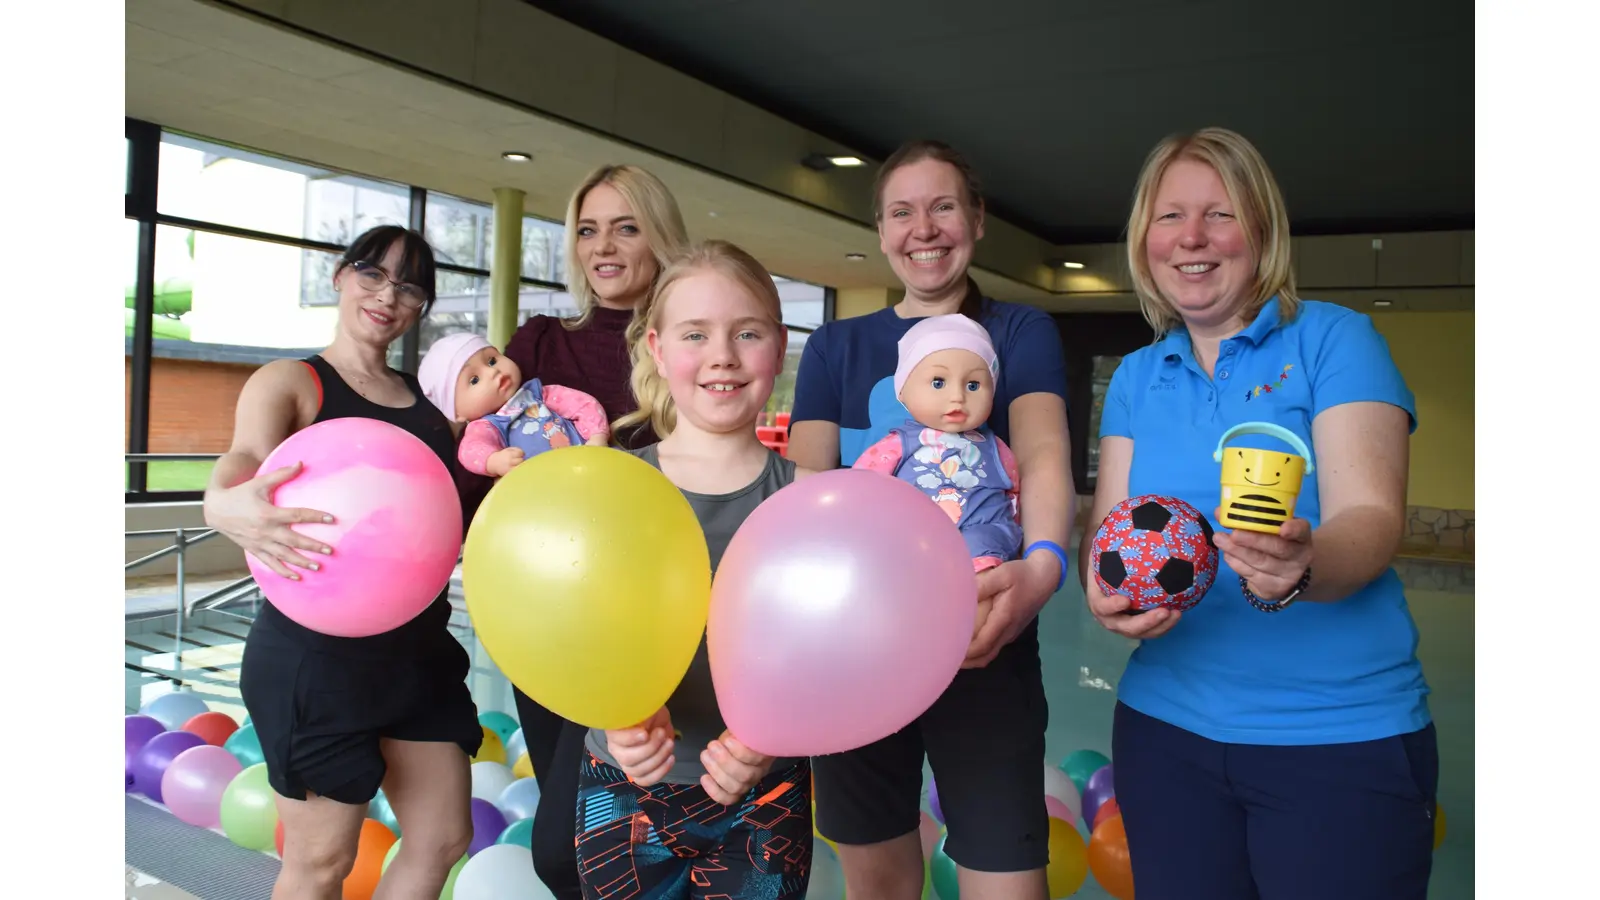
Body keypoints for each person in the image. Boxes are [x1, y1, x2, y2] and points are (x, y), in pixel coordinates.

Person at [1080, 126, 1435, 900]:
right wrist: (1105, 593)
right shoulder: (1138, 377)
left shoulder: (1336, 341)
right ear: (1144, 239)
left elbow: (1371, 517)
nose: (1192, 239)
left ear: (1263, 230)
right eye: (1169, 217)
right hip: (1164, 732)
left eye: (1220, 214)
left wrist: (1304, 566)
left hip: (1336, 735)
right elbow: (1109, 536)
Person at [788, 140, 1073, 900]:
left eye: (943, 206)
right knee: (877, 882)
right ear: (881, 230)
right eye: (903, 212)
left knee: (1007, 882)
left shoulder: (1020, 333)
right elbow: (807, 484)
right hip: (857, 651)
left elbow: (1043, 457)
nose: (925, 228)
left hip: (988, 634)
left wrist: (1042, 569)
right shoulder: (836, 346)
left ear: (976, 220)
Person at [203, 225, 480, 899]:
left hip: (417, 651)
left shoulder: (429, 408)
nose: (389, 295)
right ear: (339, 277)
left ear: (421, 305)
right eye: (373, 274)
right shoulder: (293, 382)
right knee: (322, 863)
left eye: (410, 285)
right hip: (318, 661)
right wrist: (222, 501)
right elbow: (241, 463)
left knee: (443, 837)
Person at [456, 164, 691, 899]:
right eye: (588, 230)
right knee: (576, 845)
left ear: (659, 238)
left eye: (625, 226)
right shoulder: (540, 340)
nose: (603, 246)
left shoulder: (680, 343)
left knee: (575, 846)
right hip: (547, 617)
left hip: (646, 619)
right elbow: (469, 451)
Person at [576, 240, 815, 899]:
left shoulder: (816, 501)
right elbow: (573, 632)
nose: (723, 356)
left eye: (747, 332)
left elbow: (833, 653)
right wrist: (612, 719)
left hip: (766, 790)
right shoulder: (609, 489)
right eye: (695, 334)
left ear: (779, 344)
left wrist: (774, 734)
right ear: (657, 347)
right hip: (623, 785)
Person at [853, 313, 1022, 577]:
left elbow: (1014, 492)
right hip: (915, 534)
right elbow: (861, 489)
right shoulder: (897, 444)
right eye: (938, 382)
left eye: (974, 384)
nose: (957, 396)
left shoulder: (997, 448)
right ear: (903, 391)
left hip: (984, 531)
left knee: (985, 564)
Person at [417, 332, 610, 477]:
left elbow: (584, 404)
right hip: (541, 490)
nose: (493, 372)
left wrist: (596, 436)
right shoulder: (486, 426)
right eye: (474, 380)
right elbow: (470, 450)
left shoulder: (540, 394)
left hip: (588, 465)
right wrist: (494, 461)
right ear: (457, 412)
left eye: (492, 360)